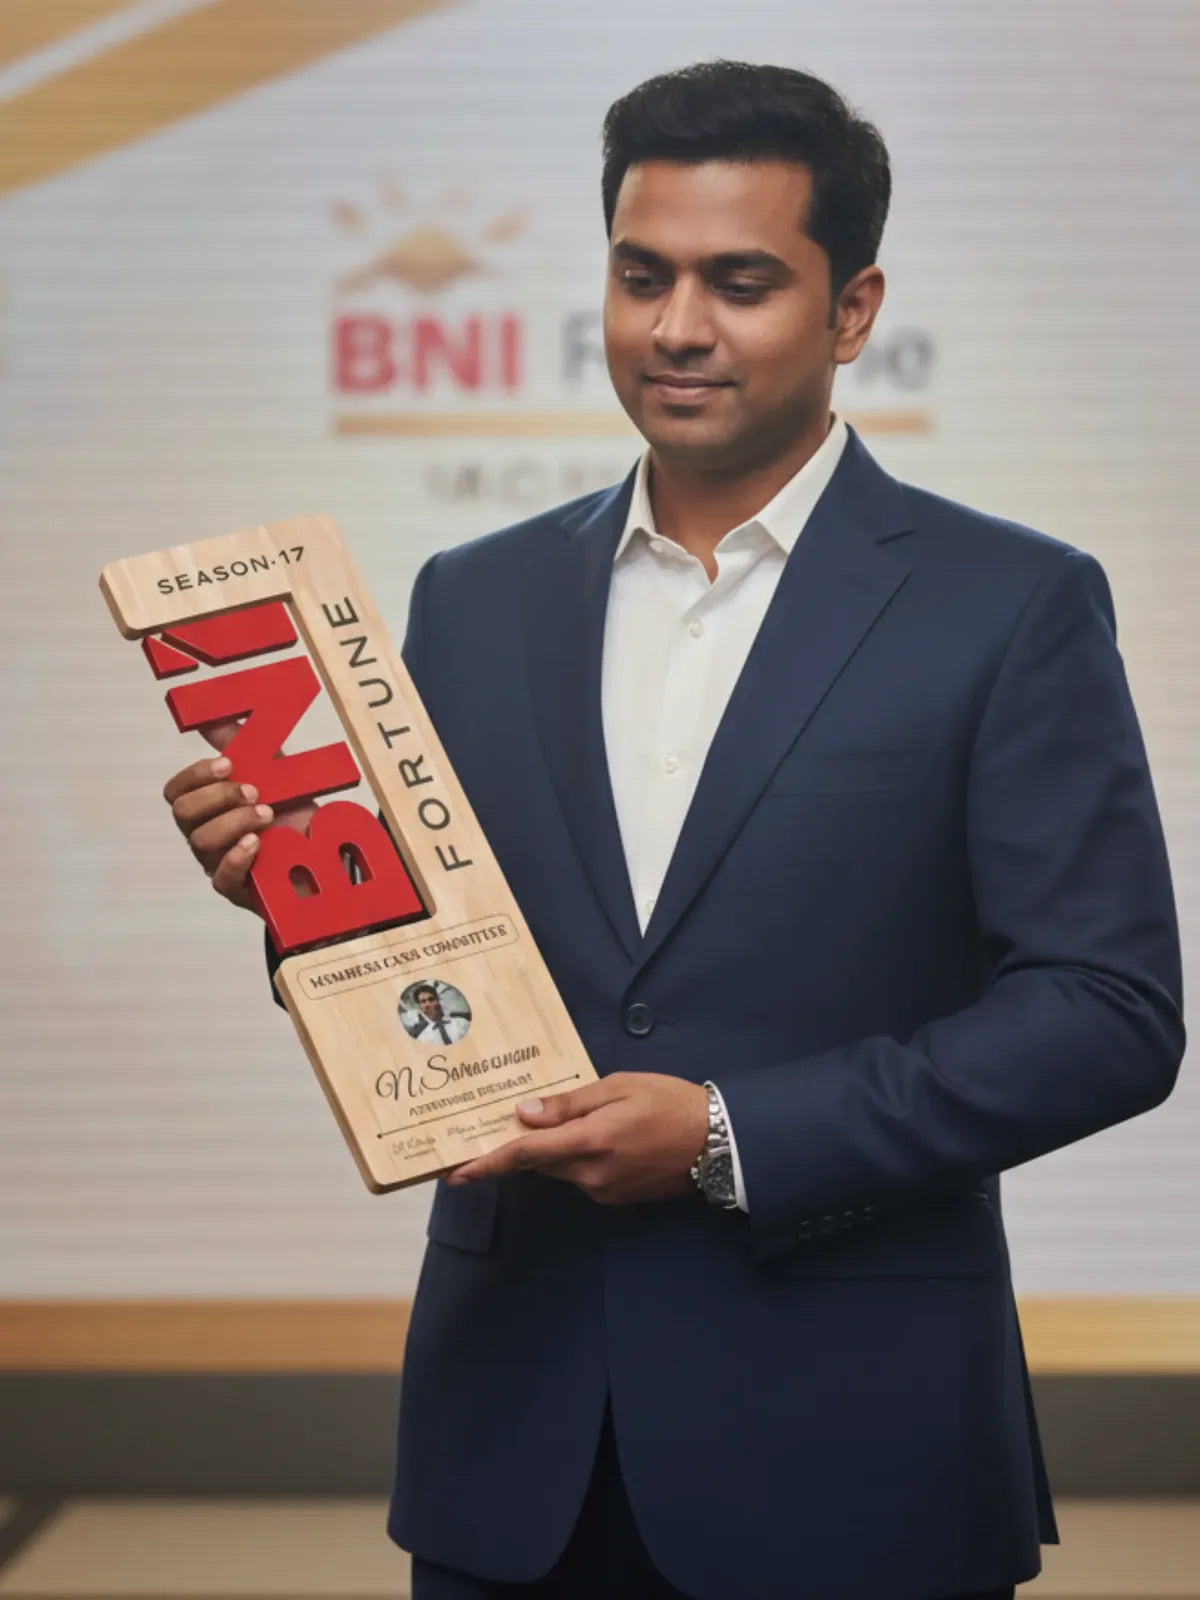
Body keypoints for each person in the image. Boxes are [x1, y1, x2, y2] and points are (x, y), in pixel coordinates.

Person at [161, 60, 1184, 1600]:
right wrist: (303, 903)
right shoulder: (472, 597)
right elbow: (447, 991)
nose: (677, 327)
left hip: (857, 1451)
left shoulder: (1012, 603)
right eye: (642, 277)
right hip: (513, 1450)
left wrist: (726, 1134)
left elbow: (1109, 1013)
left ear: (853, 310)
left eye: (741, 283)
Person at [406, 983, 471, 1045]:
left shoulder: (461, 1023)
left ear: (438, 1000)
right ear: (420, 1007)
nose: (428, 1004)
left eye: (431, 999)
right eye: (423, 1001)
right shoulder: (422, 1039)